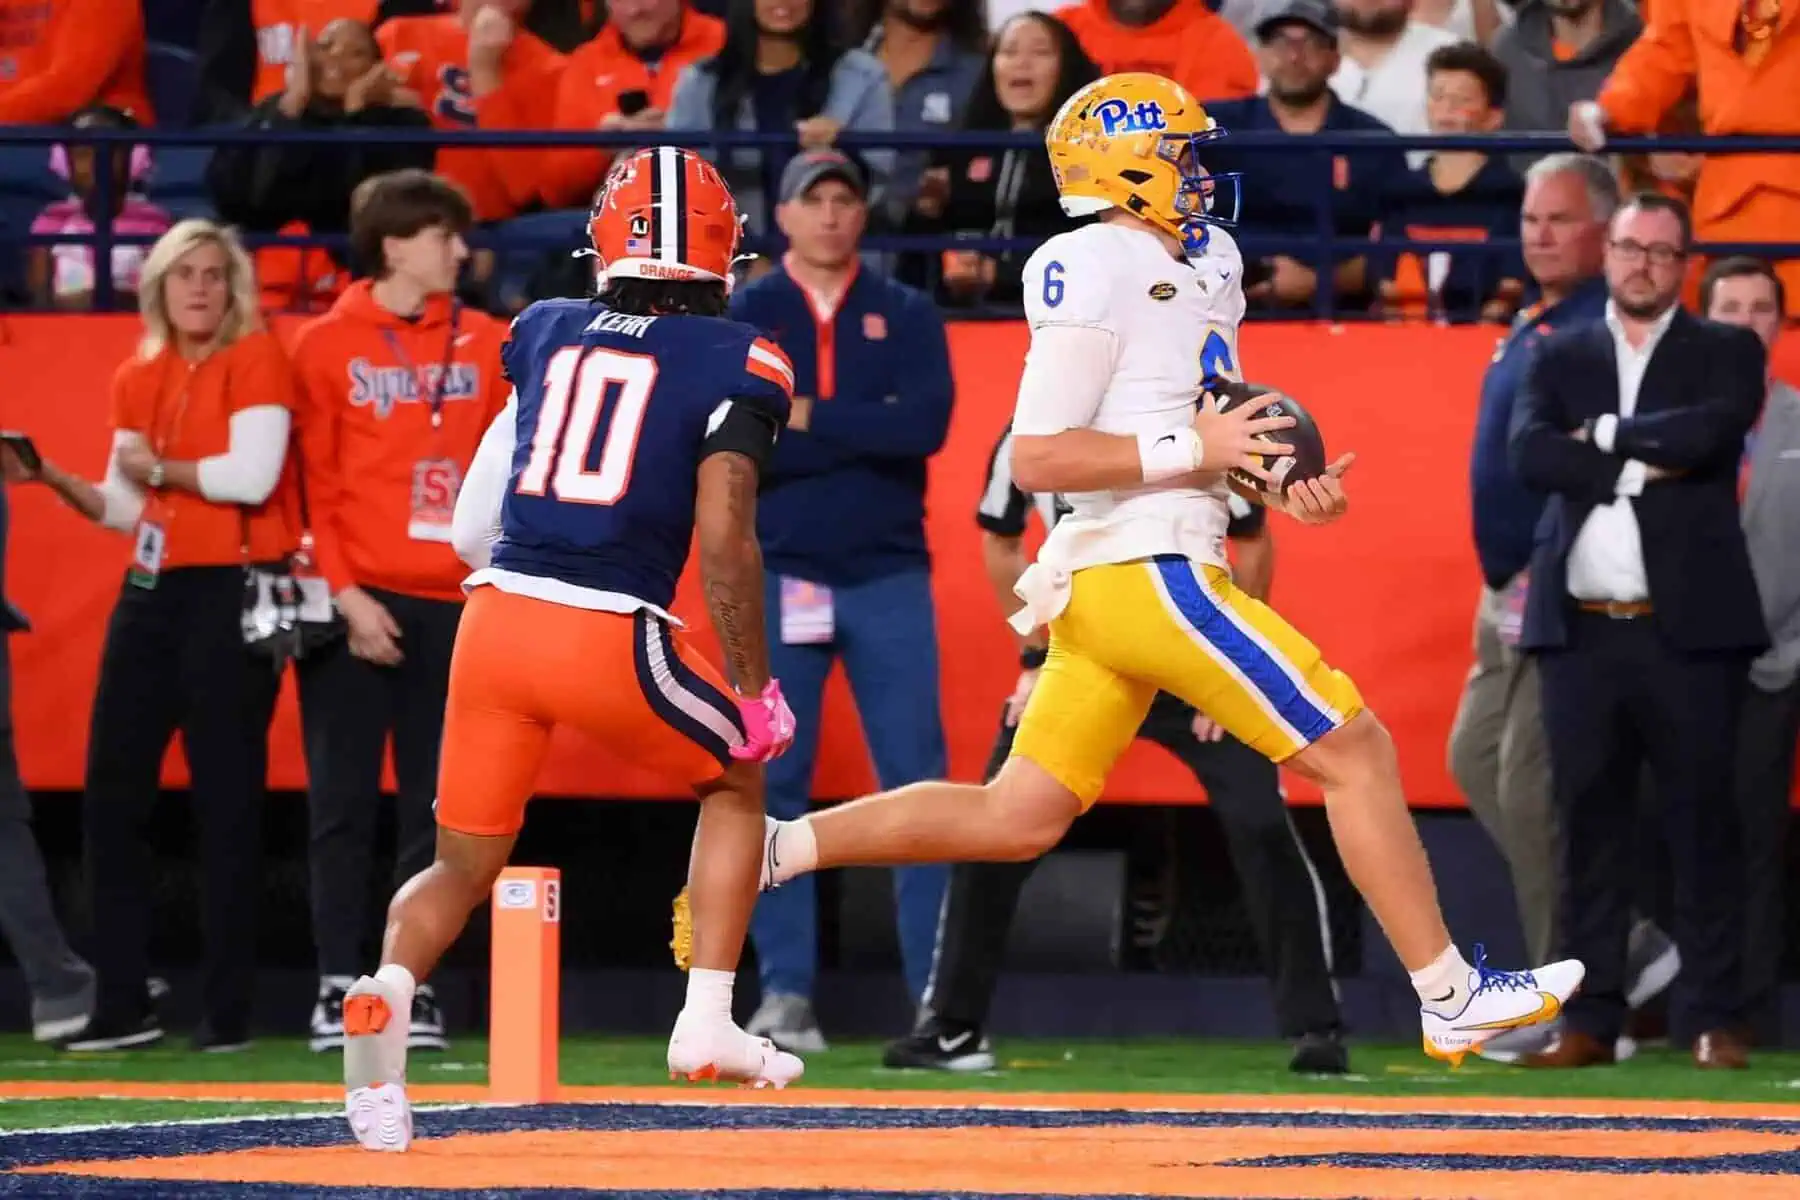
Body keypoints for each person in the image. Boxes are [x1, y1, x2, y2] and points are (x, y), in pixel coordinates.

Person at [755, 71, 1585, 1066]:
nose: (1199, 172)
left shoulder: (1212, 258)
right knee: (1354, 749)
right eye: (1181, 153)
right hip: (1137, 566)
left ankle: (777, 848)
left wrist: (1280, 487)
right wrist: (1193, 450)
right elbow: (1040, 456)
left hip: (1148, 562)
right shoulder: (1087, 260)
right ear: (1128, 165)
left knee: (1014, 817)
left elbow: (1202, 417)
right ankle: (1450, 995)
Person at [341, 146, 803, 1153]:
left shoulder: (545, 331)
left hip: (493, 622)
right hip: (603, 626)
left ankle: (381, 1019)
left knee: (461, 863)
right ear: (723, 248)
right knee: (737, 777)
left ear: (605, 238)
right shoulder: (743, 354)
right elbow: (726, 538)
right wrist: (757, 686)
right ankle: (708, 1018)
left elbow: (470, 530)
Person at [884, 423, 1348, 1075]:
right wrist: (1032, 653)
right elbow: (1001, 539)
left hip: (1188, 654)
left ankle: (1315, 1027)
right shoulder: (1031, 432)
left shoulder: (1193, 421)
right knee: (995, 824)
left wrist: (1238, 665)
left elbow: (1254, 539)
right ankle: (952, 1025)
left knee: (1261, 824)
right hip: (1088, 652)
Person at [4, 220, 299, 1052]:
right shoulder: (139, 372)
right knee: (110, 797)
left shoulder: (258, 357)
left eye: (213, 274)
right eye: (184, 276)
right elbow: (126, 506)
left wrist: (161, 472)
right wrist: (57, 481)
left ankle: (228, 1009)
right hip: (151, 586)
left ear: (231, 285)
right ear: (159, 287)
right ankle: (121, 1002)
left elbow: (253, 476)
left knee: (225, 803)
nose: (200, 289)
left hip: (230, 590)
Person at [1508, 192, 1767, 1070]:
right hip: (1581, 635)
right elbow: (1531, 454)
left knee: (1704, 828)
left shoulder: (1725, 348)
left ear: (1684, 264)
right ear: (1607, 252)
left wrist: (1607, 436)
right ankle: (1591, 1022)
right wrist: (1639, 467)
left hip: (1689, 635)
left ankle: (1712, 1017)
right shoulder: (1561, 351)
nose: (1643, 263)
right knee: (1588, 832)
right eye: (1630, 247)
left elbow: (1708, 434)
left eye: (1662, 251)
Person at [289, 170, 510, 1054]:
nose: (459, 249)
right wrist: (345, 595)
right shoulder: (321, 345)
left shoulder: (493, 341)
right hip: (354, 603)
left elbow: (509, 476)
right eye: (442, 234)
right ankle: (338, 981)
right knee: (340, 804)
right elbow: (315, 485)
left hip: (458, 604)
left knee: (441, 808)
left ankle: (407, 983)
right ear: (393, 245)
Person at [1701, 257, 1800, 1048]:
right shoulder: (1672, 415)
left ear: (1780, 322)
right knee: (1674, 833)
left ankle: (1753, 1014)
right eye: (1728, 306)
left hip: (1777, 665)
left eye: (1758, 307)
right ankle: (1684, 1003)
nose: (1743, 320)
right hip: (1679, 667)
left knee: (1759, 840)